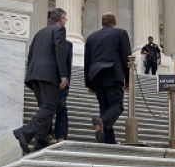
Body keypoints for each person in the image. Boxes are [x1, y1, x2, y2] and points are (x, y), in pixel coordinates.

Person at [14, 8, 69, 154]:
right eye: (65, 19)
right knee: (49, 108)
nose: (65, 22)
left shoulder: (39, 33)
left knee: (45, 108)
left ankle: (41, 141)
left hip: (35, 75)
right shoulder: (59, 30)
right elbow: (60, 53)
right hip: (48, 75)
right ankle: (25, 132)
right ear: (61, 20)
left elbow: (31, 54)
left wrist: (31, 72)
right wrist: (63, 75)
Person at [84, 12, 132, 144]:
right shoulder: (120, 33)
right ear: (114, 22)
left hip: (96, 75)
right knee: (117, 105)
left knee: (104, 108)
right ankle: (102, 122)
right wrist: (128, 80)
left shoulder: (91, 37)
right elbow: (127, 58)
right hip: (112, 73)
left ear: (102, 23)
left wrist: (89, 83)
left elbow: (87, 61)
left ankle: (108, 141)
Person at [48, 38, 73, 146]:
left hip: (62, 82)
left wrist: (67, 81)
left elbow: (68, 65)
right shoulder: (46, 43)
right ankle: (47, 132)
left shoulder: (68, 44)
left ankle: (60, 135)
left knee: (61, 106)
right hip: (47, 80)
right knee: (47, 106)